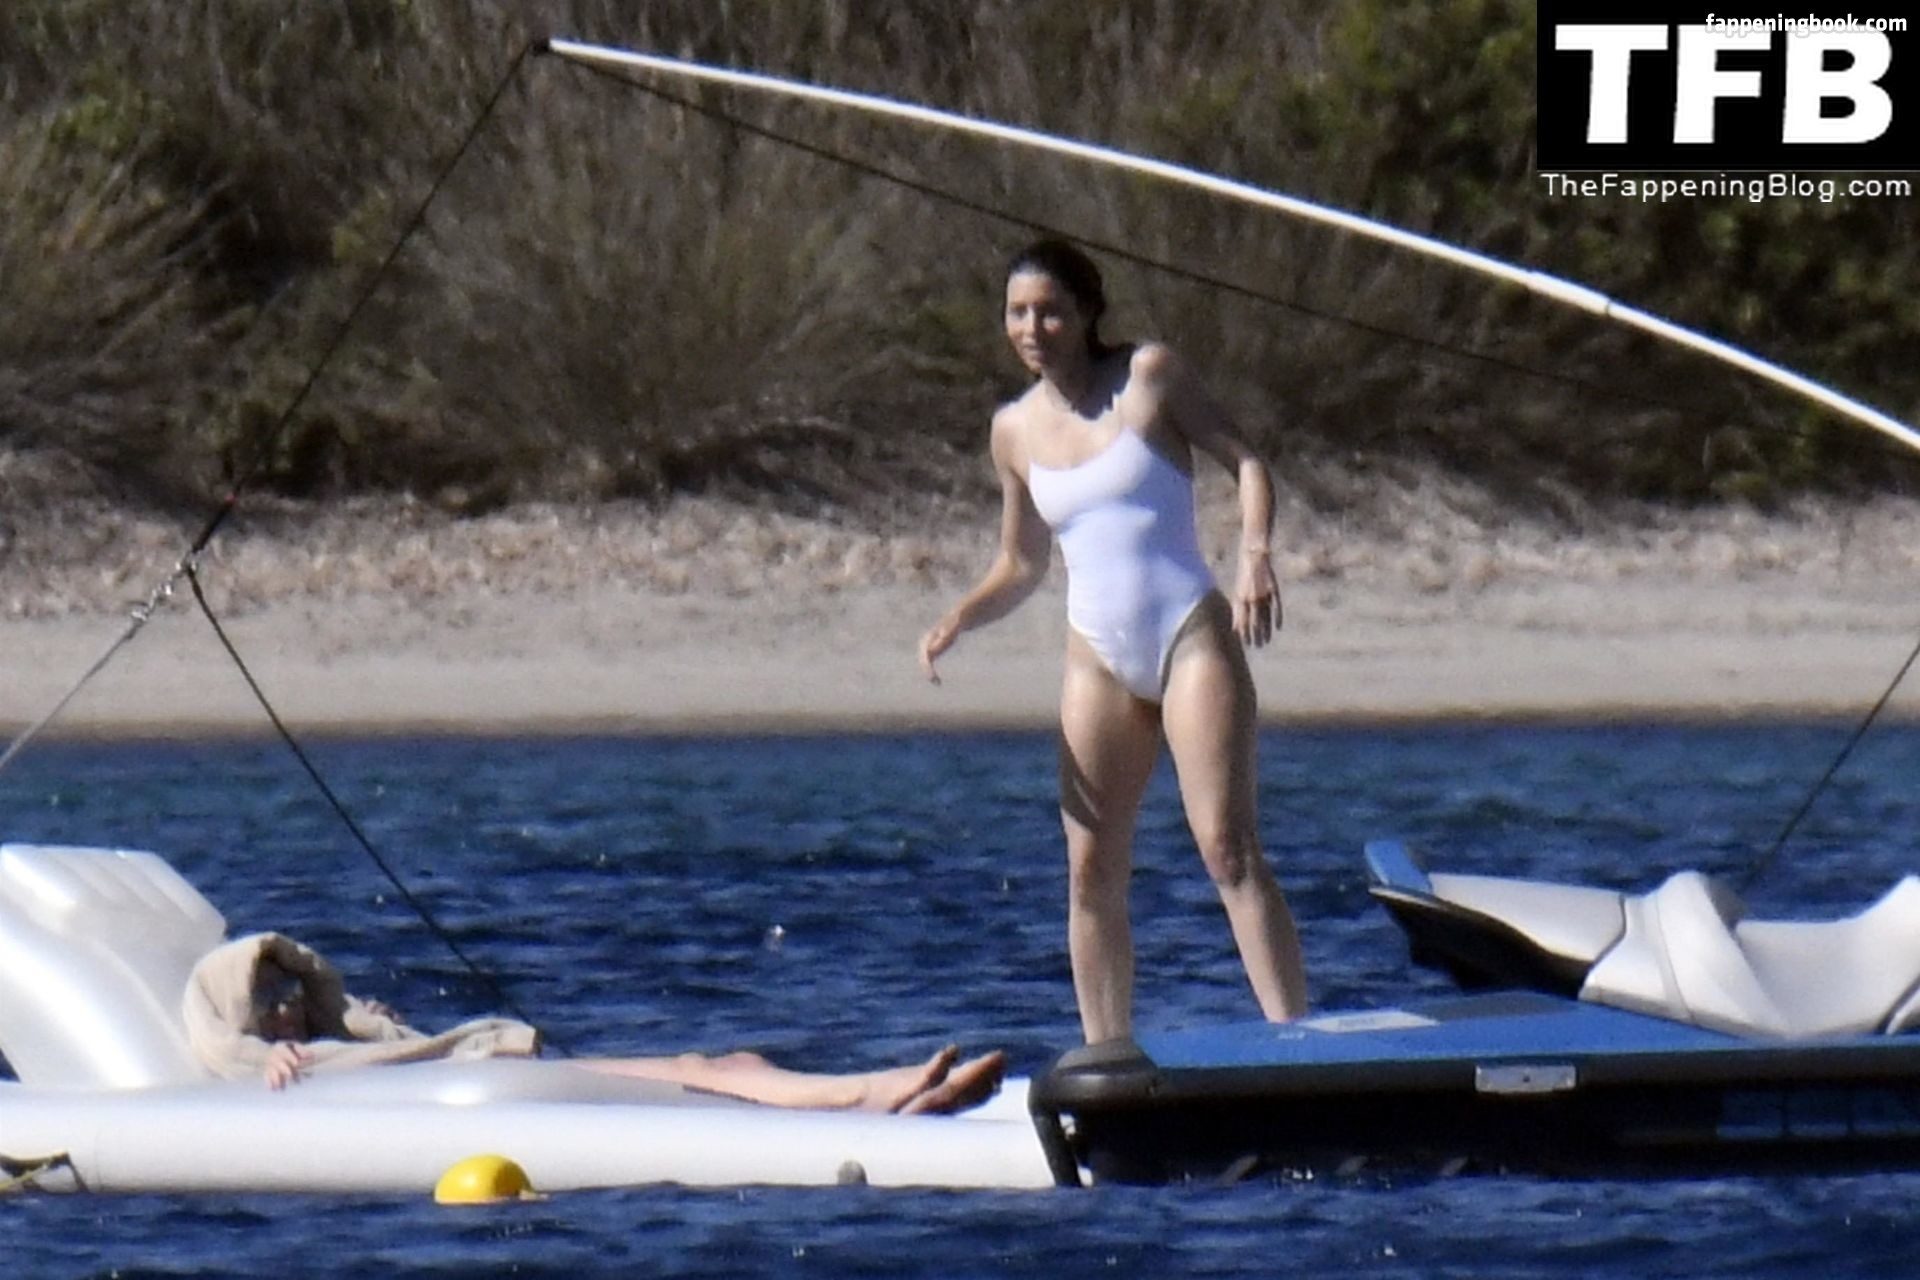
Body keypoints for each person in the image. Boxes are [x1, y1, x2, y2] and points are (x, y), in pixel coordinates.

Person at [919, 239, 1308, 1044]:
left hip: (1189, 635)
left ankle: (1296, 1039)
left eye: (1051, 311)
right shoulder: (1012, 430)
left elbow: (1245, 463)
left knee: (1227, 848)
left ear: (1088, 312)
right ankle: (1109, 1055)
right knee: (1091, 870)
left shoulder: (1147, 379)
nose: (1033, 328)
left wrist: (1255, 556)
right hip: (1097, 659)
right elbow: (1022, 562)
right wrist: (961, 616)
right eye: (1018, 313)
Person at [183, 931, 1005, 1114]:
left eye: (290, 988)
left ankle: (880, 1092)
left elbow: (350, 1026)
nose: (287, 1007)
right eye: (268, 1000)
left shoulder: (338, 1041)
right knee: (715, 1074)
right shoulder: (274, 1068)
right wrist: (274, 1063)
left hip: (509, 1071)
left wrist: (368, 1029)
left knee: (724, 1061)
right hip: (502, 1082)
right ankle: (872, 1094)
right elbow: (243, 1059)